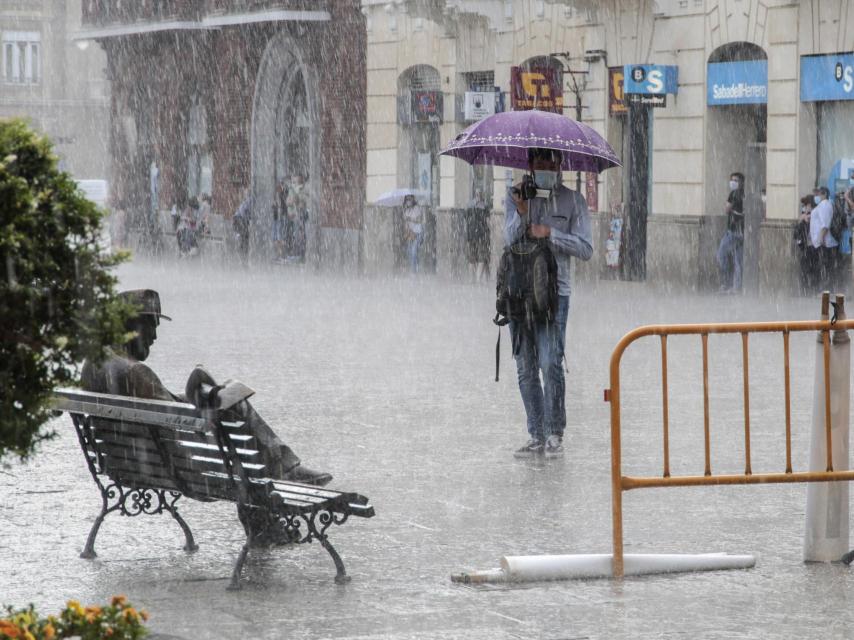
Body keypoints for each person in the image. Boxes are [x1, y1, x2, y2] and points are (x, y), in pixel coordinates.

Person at [81, 289, 332, 488]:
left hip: (123, 462)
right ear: (132, 327)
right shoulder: (134, 371)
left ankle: (279, 475)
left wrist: (194, 396)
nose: (155, 337)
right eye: (151, 327)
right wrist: (206, 396)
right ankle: (284, 471)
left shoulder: (93, 363)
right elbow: (180, 420)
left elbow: (157, 407)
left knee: (224, 406)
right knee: (235, 409)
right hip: (177, 469)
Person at [505, 148, 593, 458]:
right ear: (529, 164)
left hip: (556, 295)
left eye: (550, 162)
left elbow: (585, 248)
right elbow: (508, 239)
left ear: (560, 164)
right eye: (539, 162)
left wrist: (550, 233)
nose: (545, 167)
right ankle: (536, 435)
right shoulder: (516, 195)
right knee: (526, 368)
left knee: (549, 361)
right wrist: (522, 211)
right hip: (519, 294)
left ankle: (555, 433)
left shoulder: (574, 201)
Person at [716, 172, 745, 294]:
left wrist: (730, 208)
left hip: (733, 231)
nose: (733, 182)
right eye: (732, 180)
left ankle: (726, 284)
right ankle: (736, 287)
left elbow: (727, 209)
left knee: (721, 254)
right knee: (738, 261)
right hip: (742, 232)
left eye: (736, 180)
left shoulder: (734, 194)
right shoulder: (744, 194)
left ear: (741, 182)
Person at [810, 186, 837, 290]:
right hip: (821, 243)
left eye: (818, 194)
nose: (816, 196)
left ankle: (824, 290)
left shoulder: (825, 205)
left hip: (825, 243)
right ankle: (823, 289)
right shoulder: (821, 205)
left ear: (824, 194)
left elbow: (825, 224)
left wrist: (821, 238)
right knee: (823, 267)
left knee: (824, 267)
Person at [465, 189, 491, 282]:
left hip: (471, 235)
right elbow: (488, 222)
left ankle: (472, 279)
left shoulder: (469, 205)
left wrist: (467, 234)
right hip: (481, 235)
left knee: (472, 258)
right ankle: (477, 279)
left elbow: (466, 221)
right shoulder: (485, 206)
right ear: (481, 195)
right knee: (481, 257)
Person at [794, 194, 817, 294]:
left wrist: (805, 218)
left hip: (811, 245)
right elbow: (797, 231)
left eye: (805, 204)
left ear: (809, 204)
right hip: (805, 245)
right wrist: (801, 219)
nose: (804, 207)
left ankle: (809, 289)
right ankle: (805, 289)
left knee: (810, 268)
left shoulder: (814, 214)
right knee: (805, 268)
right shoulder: (804, 214)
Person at [285, 174, 308, 262]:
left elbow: (301, 202)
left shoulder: (302, 190)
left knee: (300, 235)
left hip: (299, 215)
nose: (294, 183)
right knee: (293, 235)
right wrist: (291, 201)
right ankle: (294, 253)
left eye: (296, 182)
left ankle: (299, 254)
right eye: (293, 182)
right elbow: (288, 201)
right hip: (292, 216)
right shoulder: (292, 190)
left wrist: (296, 201)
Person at [402, 194, 425, 274]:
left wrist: (410, 219)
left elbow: (419, 219)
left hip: (418, 233)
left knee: (414, 252)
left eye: (410, 199)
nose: (408, 201)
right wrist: (407, 229)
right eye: (407, 199)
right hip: (411, 233)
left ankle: (414, 272)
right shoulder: (406, 211)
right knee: (409, 252)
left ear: (413, 199)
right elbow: (406, 224)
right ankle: (415, 269)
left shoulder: (417, 208)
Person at [233, 188, 252, 266]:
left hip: (238, 219)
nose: (245, 194)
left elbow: (242, 211)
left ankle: (242, 256)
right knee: (244, 237)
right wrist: (246, 221)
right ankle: (243, 257)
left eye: (246, 192)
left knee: (242, 237)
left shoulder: (247, 200)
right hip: (240, 220)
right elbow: (243, 211)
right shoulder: (249, 200)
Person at [271, 182, 287, 263]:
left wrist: (276, 206)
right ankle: (278, 255)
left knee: (279, 238)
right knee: (275, 238)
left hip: (279, 218)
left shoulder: (282, 196)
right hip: (275, 218)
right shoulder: (277, 196)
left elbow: (281, 207)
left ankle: (281, 255)